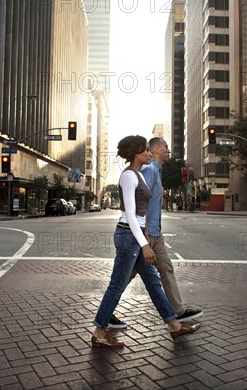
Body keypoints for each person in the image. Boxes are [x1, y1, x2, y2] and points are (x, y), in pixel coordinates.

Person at [91, 135, 200, 348]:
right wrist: (145, 244)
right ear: (136, 153)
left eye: (150, 151)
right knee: (116, 285)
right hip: (129, 237)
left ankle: (174, 327)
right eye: (145, 151)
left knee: (153, 282)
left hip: (135, 235)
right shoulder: (129, 176)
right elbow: (131, 215)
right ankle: (99, 332)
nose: (149, 153)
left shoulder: (139, 174)